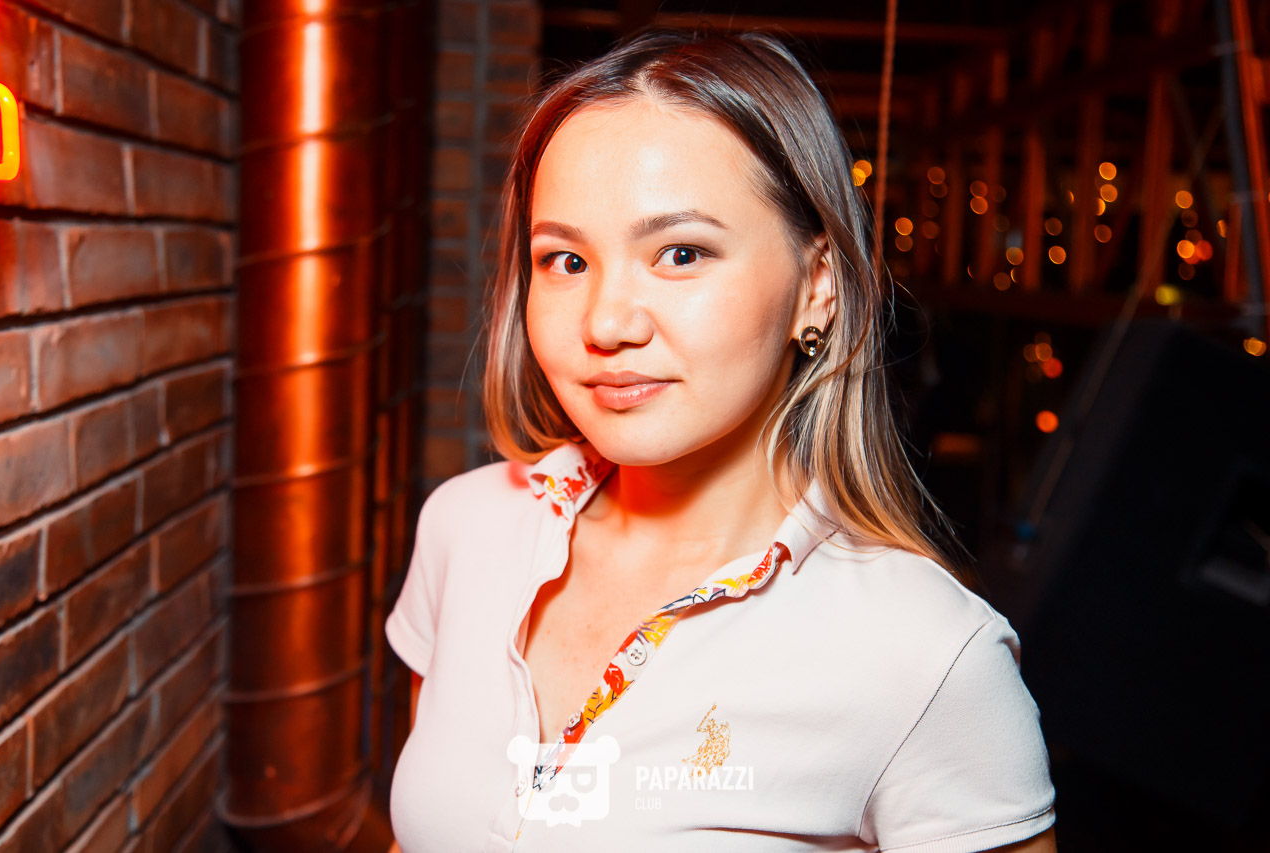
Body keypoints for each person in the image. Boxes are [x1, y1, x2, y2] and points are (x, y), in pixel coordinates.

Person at [385, 27, 1057, 853]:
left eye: (680, 252)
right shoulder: (466, 528)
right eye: (565, 261)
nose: (606, 322)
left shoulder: (927, 657)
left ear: (817, 287)